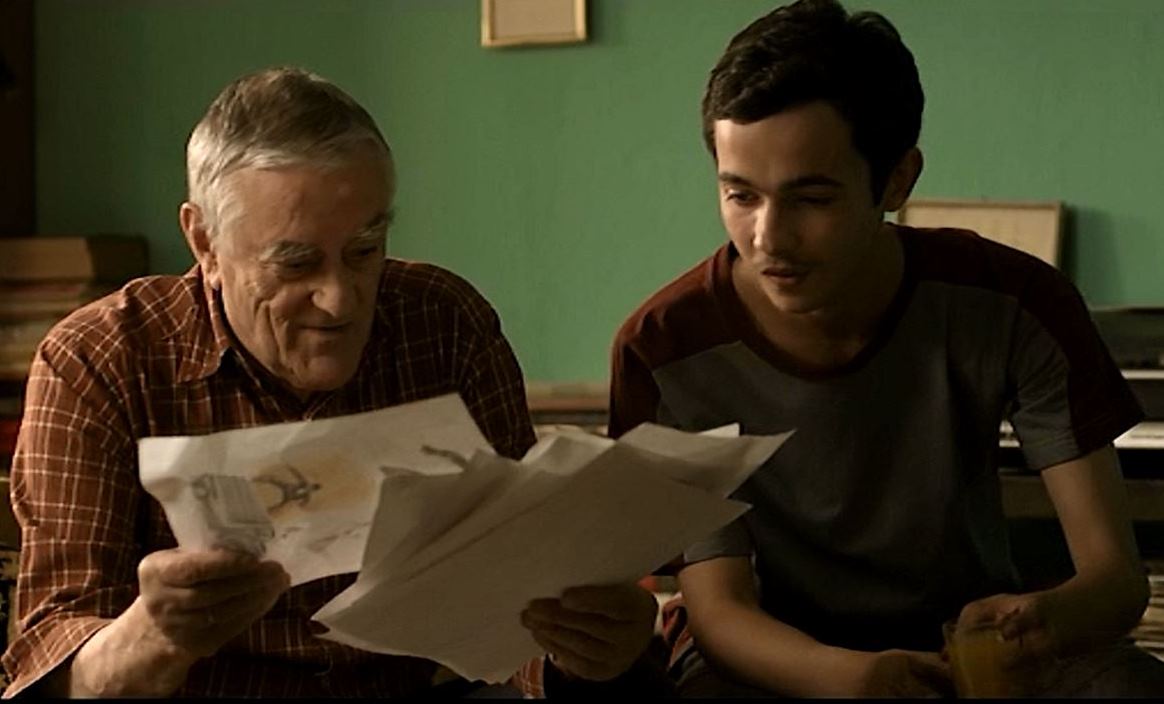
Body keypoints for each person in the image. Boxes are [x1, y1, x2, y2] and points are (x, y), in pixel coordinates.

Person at [1, 66, 661, 698]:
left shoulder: (443, 324)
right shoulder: (101, 360)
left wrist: (593, 652)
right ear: (204, 243)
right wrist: (153, 636)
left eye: (364, 251)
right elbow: (50, 661)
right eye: (296, 264)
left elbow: (516, 607)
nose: (341, 300)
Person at [609, 0, 1164, 697]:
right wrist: (855, 679)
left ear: (898, 180)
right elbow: (721, 613)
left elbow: (1115, 581)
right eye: (741, 196)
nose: (768, 238)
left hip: (964, 645)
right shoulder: (665, 348)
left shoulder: (1014, 301)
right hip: (769, 664)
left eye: (811, 199)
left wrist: (1041, 623)